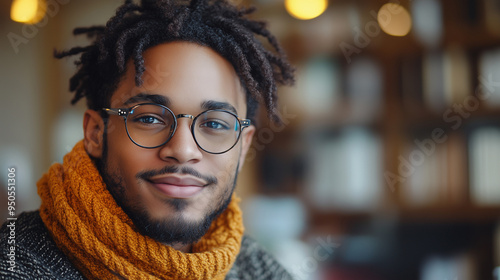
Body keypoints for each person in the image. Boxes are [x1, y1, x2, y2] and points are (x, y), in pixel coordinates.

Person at [0, 0, 295, 279]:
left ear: (243, 147)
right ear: (95, 133)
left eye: (215, 123)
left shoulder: (262, 270)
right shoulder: (15, 263)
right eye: (149, 118)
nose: (182, 150)